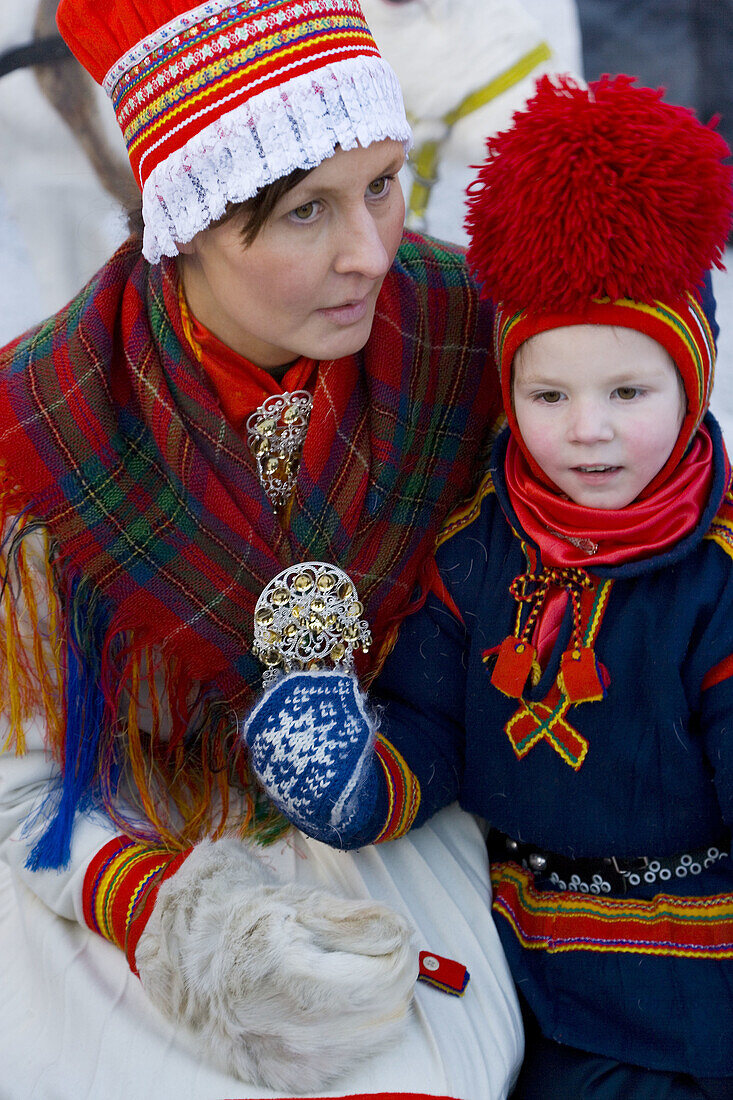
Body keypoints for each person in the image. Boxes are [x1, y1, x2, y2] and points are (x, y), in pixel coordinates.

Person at [0, 1, 524, 1096]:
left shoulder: (468, 339)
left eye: (384, 184)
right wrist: (165, 912)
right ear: (186, 223)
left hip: (403, 804)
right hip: (127, 841)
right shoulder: (41, 435)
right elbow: (23, 779)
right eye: (303, 213)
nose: (369, 252)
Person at [244, 74, 733, 1096]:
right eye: (547, 392)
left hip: (688, 989)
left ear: (692, 382)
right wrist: (355, 779)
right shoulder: (480, 549)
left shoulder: (714, 578)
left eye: (628, 391)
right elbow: (432, 722)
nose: (586, 428)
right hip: (516, 968)